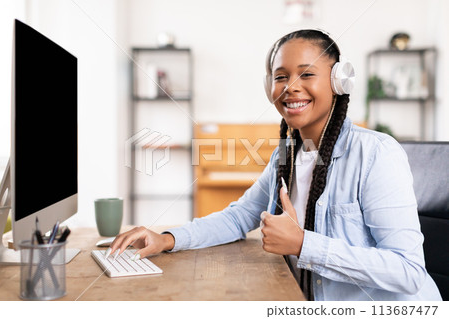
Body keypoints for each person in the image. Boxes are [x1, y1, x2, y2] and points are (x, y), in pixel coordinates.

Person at [107, 30, 442, 301]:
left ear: (339, 81)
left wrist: (303, 245)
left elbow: (408, 271)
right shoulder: (287, 156)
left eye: (307, 74)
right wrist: (167, 238)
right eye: (280, 76)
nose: (291, 86)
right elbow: (239, 217)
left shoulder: (376, 155)